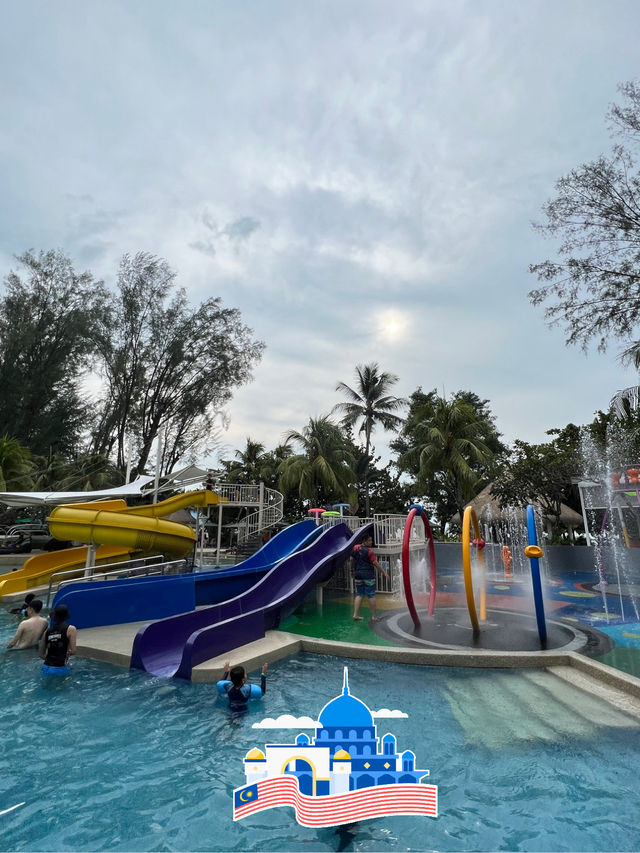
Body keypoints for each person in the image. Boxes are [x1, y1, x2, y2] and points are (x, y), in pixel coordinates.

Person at [351, 534, 390, 622]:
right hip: (368, 575)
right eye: (369, 540)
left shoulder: (355, 547)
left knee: (359, 594)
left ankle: (355, 615)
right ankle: (374, 616)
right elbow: (375, 563)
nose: (371, 542)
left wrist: (352, 571)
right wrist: (384, 572)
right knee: (371, 595)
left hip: (358, 574)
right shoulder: (369, 551)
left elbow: (351, 559)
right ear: (364, 541)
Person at [39, 604, 77, 676]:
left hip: (46, 667)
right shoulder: (71, 629)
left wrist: (52, 661)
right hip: (60, 668)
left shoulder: (46, 632)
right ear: (66, 617)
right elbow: (73, 650)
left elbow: (41, 654)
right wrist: (65, 657)